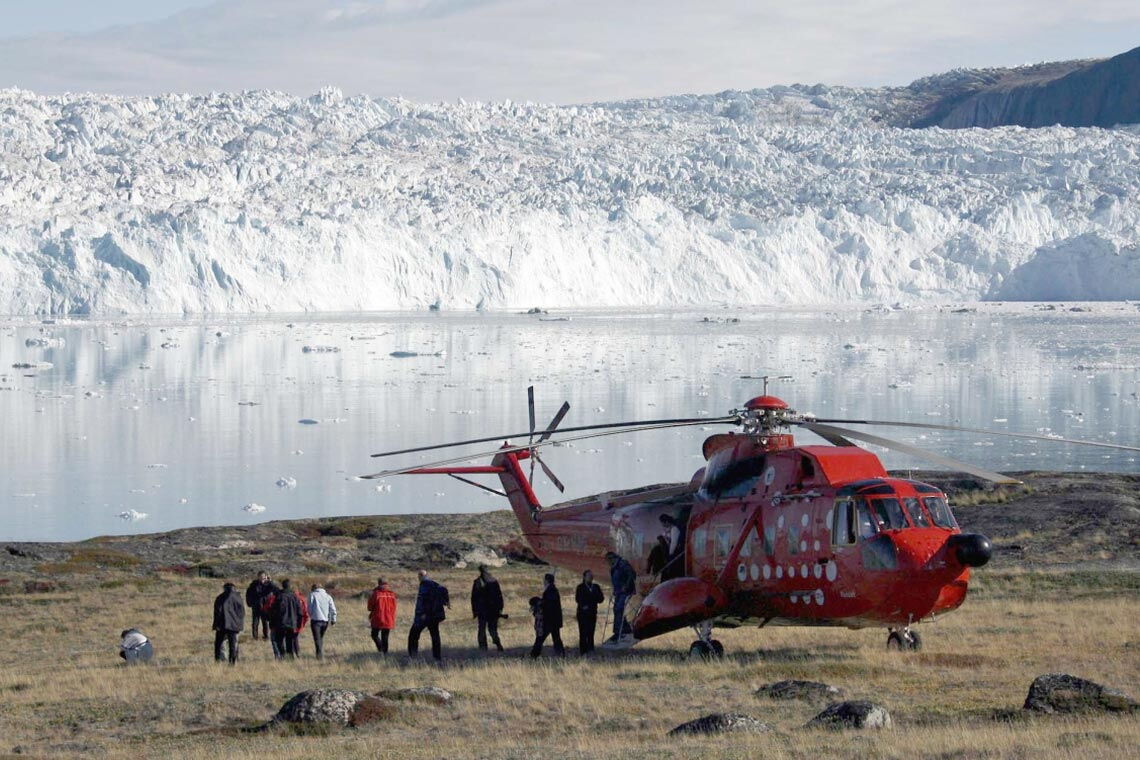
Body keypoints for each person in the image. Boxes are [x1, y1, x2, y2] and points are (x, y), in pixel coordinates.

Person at [408, 570, 449, 662]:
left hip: (425, 616)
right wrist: (447, 602)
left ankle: (413, 656)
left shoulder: (424, 586)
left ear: (420, 576)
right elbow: (444, 590)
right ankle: (437, 657)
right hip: (435, 615)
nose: (418, 578)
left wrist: (424, 613)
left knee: (413, 635)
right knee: (435, 635)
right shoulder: (435, 584)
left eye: (419, 576)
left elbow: (426, 601)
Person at [470, 564, 505, 652]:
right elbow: (499, 596)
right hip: (493, 610)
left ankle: (483, 648)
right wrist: (500, 608)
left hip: (483, 610)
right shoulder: (493, 581)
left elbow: (474, 598)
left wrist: (475, 611)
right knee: (492, 629)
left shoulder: (478, 582)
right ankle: (498, 645)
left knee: (482, 629)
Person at [270, 579, 307, 659]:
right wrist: (298, 623)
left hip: (281, 622)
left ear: (282, 586)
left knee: (279, 640)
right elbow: (299, 611)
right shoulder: (295, 597)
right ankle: (290, 657)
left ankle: (283, 655)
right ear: (290, 586)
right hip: (292, 622)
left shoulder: (279, 596)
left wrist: (273, 622)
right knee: (289, 641)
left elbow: (274, 611)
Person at [530, 573, 565, 657]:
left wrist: (540, 604)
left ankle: (534, 655)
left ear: (547, 580)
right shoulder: (552, 590)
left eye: (544, 579)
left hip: (550, 619)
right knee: (556, 638)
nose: (543, 581)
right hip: (554, 620)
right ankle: (561, 654)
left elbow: (549, 604)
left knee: (540, 638)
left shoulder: (551, 590)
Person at [213, 582, 245, 664]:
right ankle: (233, 662)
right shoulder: (238, 597)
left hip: (221, 625)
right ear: (234, 588)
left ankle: (218, 660)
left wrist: (216, 625)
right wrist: (239, 623)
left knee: (219, 644)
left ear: (224, 588)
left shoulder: (220, 597)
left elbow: (217, 612)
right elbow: (242, 613)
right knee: (233, 645)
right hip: (234, 625)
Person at [606, 551, 636, 641]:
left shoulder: (622, 564)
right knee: (617, 609)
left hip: (625, 591)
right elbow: (615, 580)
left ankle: (618, 631)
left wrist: (626, 586)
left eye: (608, 560)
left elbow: (631, 575)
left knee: (619, 608)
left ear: (612, 558)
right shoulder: (614, 567)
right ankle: (625, 629)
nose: (607, 562)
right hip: (619, 591)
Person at [575, 569, 605, 654]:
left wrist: (595, 596)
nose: (590, 577)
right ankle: (583, 651)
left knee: (591, 632)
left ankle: (591, 649)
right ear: (584, 577)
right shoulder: (580, 587)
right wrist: (584, 606)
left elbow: (601, 599)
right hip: (582, 614)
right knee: (583, 632)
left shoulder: (596, 587)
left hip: (592, 613)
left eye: (591, 576)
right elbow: (578, 599)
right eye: (588, 576)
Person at [367, 578, 397, 654]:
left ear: (379, 583)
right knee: (385, 636)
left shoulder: (376, 593)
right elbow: (394, 607)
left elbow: (370, 607)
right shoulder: (392, 594)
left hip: (378, 617)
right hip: (389, 618)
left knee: (374, 635)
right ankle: (385, 653)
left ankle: (380, 648)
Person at [308, 582, 337, 660]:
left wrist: (311, 615)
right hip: (325, 621)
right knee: (320, 638)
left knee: (317, 638)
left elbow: (309, 608)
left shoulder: (312, 595)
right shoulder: (328, 596)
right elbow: (333, 609)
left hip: (315, 620)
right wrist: (333, 619)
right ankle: (320, 653)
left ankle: (319, 655)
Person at [259, 578, 284, 658]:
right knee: (282, 639)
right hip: (283, 622)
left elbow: (265, 610)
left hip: (274, 622)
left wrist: (267, 618)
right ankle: (283, 654)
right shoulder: (284, 598)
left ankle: (277, 655)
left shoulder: (271, 599)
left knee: (274, 640)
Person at [245, 572, 273, 640]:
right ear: (258, 577)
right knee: (255, 623)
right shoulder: (253, 585)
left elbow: (273, 592)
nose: (262, 579)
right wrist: (250, 603)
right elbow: (248, 595)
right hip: (256, 606)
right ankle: (255, 637)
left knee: (265, 622)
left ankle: (266, 636)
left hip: (265, 607)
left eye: (263, 577)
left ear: (266, 577)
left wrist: (270, 581)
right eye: (261, 577)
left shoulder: (269, 585)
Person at [659, 514, 684, 580]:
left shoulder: (674, 529)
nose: (663, 526)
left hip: (674, 553)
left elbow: (674, 543)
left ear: (667, 522)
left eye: (663, 523)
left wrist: (670, 554)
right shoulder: (668, 530)